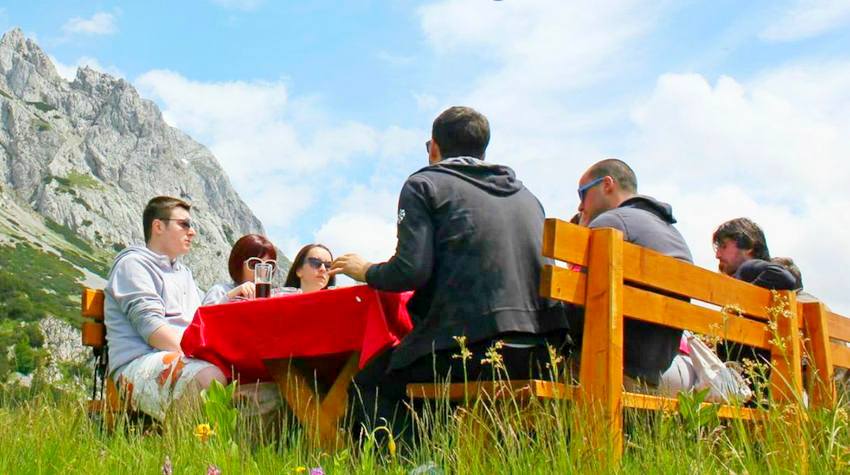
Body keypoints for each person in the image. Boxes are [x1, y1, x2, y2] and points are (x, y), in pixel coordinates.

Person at [332, 106, 569, 442]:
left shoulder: (425, 184)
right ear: (483, 150)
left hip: (470, 350)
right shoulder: (527, 197)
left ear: (433, 148)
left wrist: (366, 270)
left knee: (371, 385)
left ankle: (415, 465)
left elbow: (410, 271)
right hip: (542, 352)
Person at [575, 158, 695, 395]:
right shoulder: (674, 235)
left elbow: (577, 311)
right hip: (660, 371)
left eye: (583, 194)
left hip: (618, 369)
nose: (580, 206)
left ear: (607, 184)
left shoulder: (611, 223)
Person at [104, 196, 226, 420]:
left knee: (257, 384)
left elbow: (201, 320)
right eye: (184, 224)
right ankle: (178, 442)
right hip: (138, 363)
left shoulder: (183, 273)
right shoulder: (133, 265)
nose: (192, 232)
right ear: (158, 226)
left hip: (181, 357)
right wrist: (205, 355)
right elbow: (154, 331)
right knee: (209, 377)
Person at [712, 218, 796, 290]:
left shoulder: (747, 267)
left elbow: (783, 276)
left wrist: (744, 293)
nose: (717, 255)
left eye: (724, 246)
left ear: (748, 246)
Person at [202, 234, 278, 305]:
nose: (262, 272)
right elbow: (205, 314)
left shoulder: (273, 299)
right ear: (239, 264)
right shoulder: (220, 291)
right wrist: (231, 296)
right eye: (254, 264)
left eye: (269, 265)